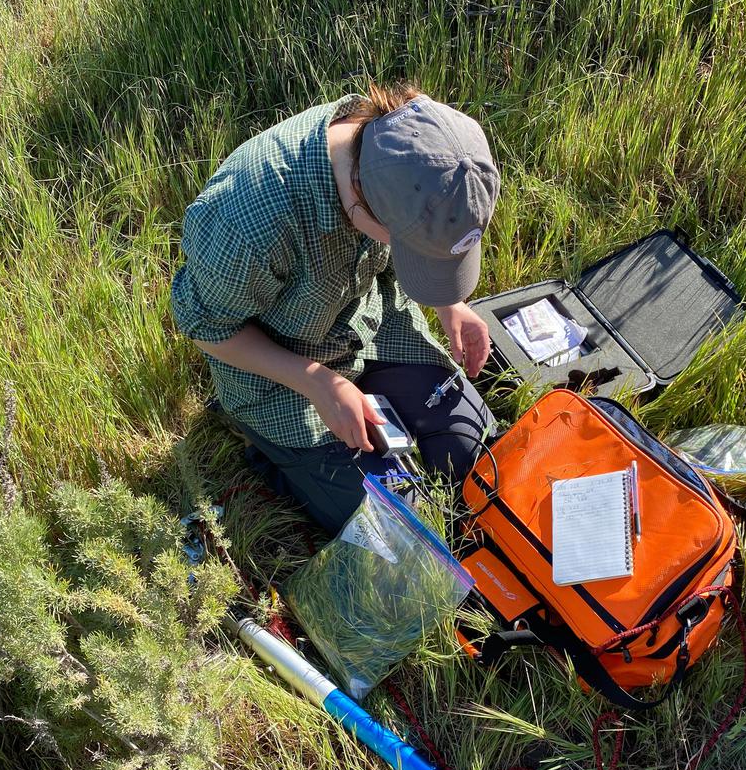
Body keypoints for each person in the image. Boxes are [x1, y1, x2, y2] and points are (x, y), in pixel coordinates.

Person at [171, 83, 501, 532]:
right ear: (361, 203)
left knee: (481, 457)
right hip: (281, 377)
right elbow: (204, 326)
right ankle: (278, 459)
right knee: (403, 527)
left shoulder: (403, 147)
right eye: (414, 253)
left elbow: (418, 234)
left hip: (373, 323)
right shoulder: (249, 221)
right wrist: (320, 384)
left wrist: (450, 304)